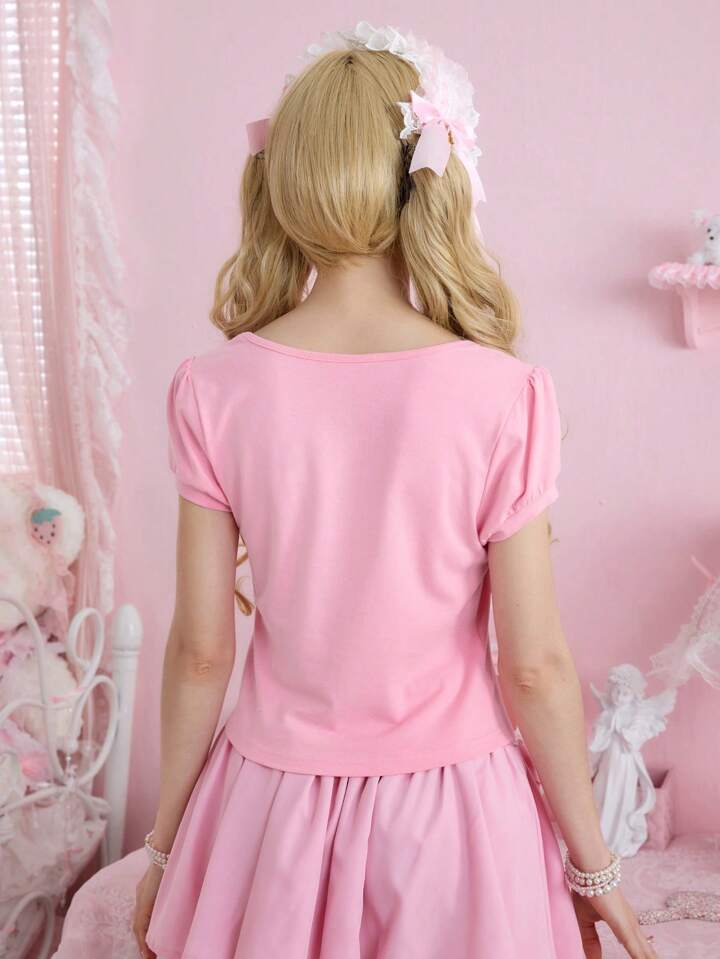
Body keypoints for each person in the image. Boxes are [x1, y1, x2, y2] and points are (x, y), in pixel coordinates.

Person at [63, 21, 657, 959]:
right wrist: (595, 869)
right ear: (429, 178)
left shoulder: (213, 388)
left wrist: (167, 845)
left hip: (269, 811)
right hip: (458, 817)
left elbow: (202, 651)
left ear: (283, 180)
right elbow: (534, 665)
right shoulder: (504, 394)